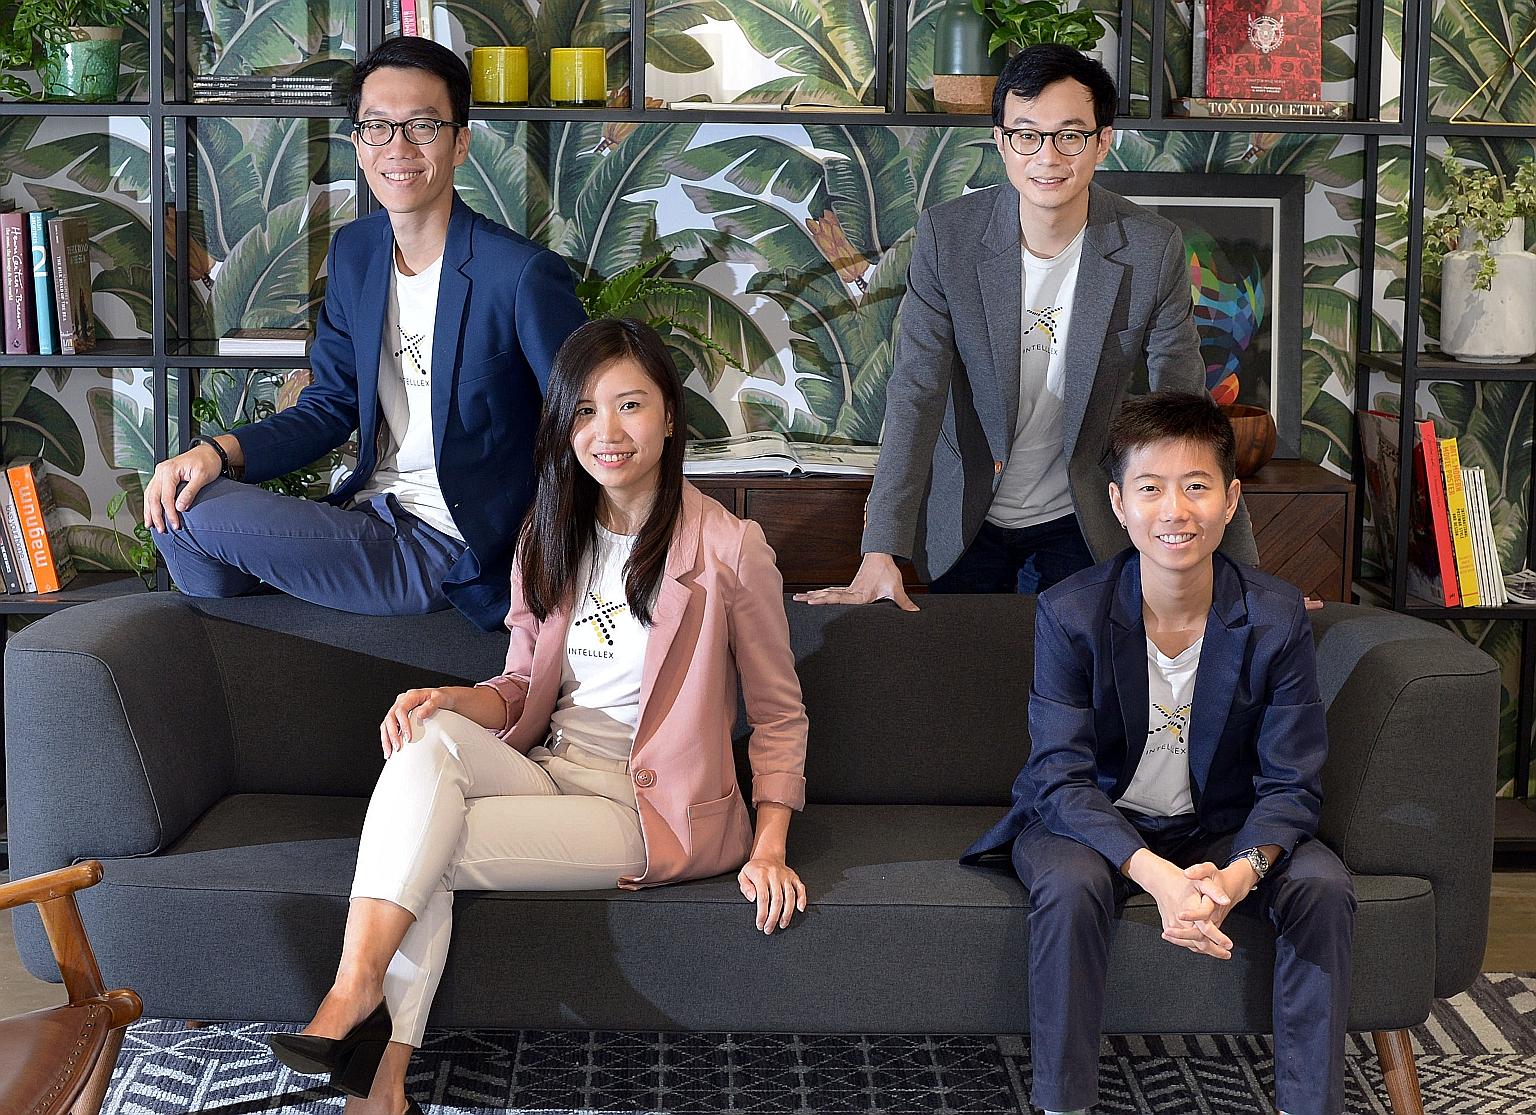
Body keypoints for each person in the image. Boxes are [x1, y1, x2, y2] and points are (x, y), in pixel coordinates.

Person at [266, 318, 810, 1115]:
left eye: (630, 406)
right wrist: (456, 700)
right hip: (546, 766)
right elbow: (523, 686)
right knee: (425, 736)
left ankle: (376, 1078)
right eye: (584, 412)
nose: (608, 432)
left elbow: (778, 712)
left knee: (428, 850)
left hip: (641, 807)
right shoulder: (550, 532)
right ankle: (355, 995)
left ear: (668, 415)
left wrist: (769, 847)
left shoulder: (729, 547)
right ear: (564, 426)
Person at [962, 392, 1353, 1115]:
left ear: (1231, 500)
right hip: (1093, 822)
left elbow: (1292, 782)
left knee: (1323, 884)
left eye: (1196, 486)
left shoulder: (1273, 619)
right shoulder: (1070, 612)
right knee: (1072, 884)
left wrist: (1237, 876)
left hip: (1221, 827)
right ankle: (1062, 1103)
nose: (1174, 510)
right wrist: (1158, 877)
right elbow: (1059, 777)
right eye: (1151, 488)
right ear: (1118, 502)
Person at [144, 37, 588, 631]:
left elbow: (583, 421)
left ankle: (271, 618)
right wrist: (216, 452)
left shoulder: (519, 275)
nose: (397, 148)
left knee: (192, 519)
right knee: (180, 495)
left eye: (422, 127)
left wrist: (555, 564)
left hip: (449, 545)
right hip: (371, 512)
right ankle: (274, 624)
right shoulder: (357, 253)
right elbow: (329, 406)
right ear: (357, 144)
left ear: (461, 143)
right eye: (376, 127)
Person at [797, 45, 1255, 612]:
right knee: (970, 682)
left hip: (1081, 516)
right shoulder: (947, 238)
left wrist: (1241, 575)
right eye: (1026, 134)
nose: (1048, 156)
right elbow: (914, 393)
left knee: (1075, 682)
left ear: (1102, 141)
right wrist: (880, 550)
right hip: (964, 515)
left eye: (1070, 134)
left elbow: (1187, 412)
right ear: (1000, 141)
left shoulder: (1150, 246)